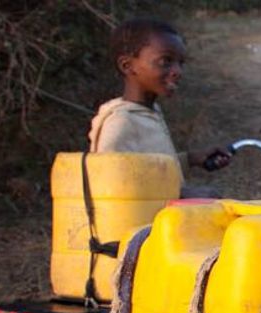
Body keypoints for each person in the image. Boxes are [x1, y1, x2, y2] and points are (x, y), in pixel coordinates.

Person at [88, 18, 231, 198]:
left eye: (181, 63)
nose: (177, 71)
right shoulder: (120, 123)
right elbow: (113, 189)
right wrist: (183, 196)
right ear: (127, 66)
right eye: (165, 61)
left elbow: (147, 170)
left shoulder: (148, 112)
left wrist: (191, 159)